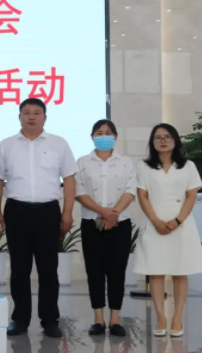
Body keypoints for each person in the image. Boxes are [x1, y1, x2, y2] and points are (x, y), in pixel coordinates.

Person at [0, 98, 77, 338]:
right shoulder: (6, 145)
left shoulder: (59, 144)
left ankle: (50, 320)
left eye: (37, 112)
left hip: (48, 212)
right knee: (19, 268)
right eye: (26, 112)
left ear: (45, 117)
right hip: (16, 210)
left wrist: (67, 212)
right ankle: (19, 319)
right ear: (19, 116)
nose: (31, 116)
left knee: (48, 268)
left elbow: (69, 179)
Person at [134, 123, 202, 338]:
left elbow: (191, 195)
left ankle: (176, 318)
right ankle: (161, 318)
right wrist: (156, 221)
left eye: (167, 137)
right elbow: (142, 196)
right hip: (154, 224)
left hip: (180, 225)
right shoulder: (144, 167)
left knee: (180, 272)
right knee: (156, 272)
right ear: (152, 142)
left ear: (175, 140)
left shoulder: (188, 166)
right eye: (158, 137)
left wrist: (178, 220)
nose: (163, 141)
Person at [75, 119, 136, 337]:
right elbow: (79, 192)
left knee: (117, 271)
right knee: (94, 271)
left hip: (120, 223)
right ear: (92, 137)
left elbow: (130, 190)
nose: (103, 136)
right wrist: (103, 211)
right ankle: (98, 319)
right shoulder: (82, 162)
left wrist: (113, 213)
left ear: (115, 137)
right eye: (99, 133)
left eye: (108, 133)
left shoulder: (126, 162)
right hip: (92, 223)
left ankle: (115, 319)